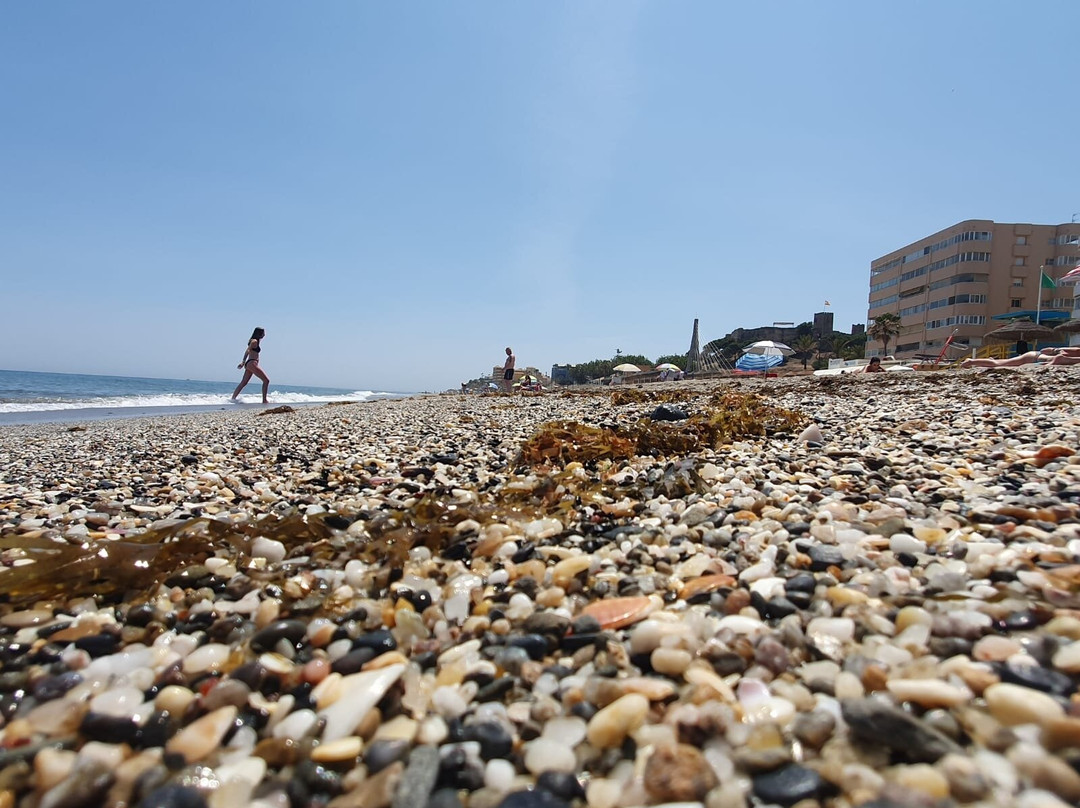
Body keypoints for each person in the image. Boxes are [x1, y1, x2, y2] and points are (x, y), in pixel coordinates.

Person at [232, 327, 270, 403]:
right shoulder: (254, 341)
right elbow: (248, 350)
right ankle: (264, 400)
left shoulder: (256, 341)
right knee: (266, 380)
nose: (264, 335)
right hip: (252, 363)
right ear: (259, 333)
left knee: (244, 382)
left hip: (250, 364)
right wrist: (243, 362)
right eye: (263, 333)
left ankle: (232, 399)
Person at [961, 346, 1080, 368]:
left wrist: (1055, 350)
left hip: (1037, 355)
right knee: (999, 364)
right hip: (1035, 357)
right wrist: (1056, 351)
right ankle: (971, 361)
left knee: (1000, 362)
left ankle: (973, 361)